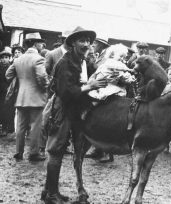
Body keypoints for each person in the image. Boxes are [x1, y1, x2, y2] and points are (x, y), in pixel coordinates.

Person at [42, 26, 108, 203]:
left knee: (61, 149)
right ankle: (50, 194)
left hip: (74, 110)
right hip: (61, 109)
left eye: (88, 41)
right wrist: (89, 86)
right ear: (72, 43)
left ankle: (49, 191)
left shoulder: (82, 61)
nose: (86, 44)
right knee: (56, 150)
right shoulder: (65, 62)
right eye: (82, 40)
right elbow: (65, 92)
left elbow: (95, 74)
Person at [5, 32, 49, 161]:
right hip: (36, 98)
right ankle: (34, 153)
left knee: (21, 126)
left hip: (21, 97)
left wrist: (20, 82)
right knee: (36, 126)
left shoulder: (18, 59)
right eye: (40, 42)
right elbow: (42, 77)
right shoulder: (39, 58)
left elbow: (8, 75)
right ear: (35, 44)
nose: (42, 45)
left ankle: (19, 151)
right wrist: (45, 86)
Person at [0, 48, 14, 136]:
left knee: (9, 110)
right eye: (2, 58)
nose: (4, 59)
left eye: (6, 57)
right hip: (1, 92)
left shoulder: (12, 67)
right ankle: (3, 127)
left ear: (9, 58)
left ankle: (8, 129)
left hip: (9, 92)